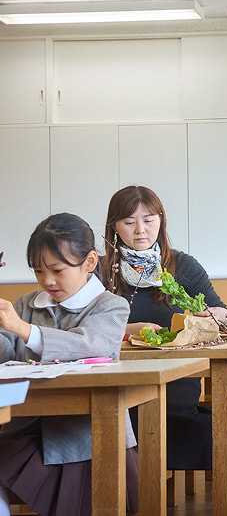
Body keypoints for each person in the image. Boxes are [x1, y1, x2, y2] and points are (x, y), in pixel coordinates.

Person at [0, 213, 136, 516]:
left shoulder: (110, 306)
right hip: (27, 428)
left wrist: (24, 330)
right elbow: (6, 354)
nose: (47, 281)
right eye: (38, 271)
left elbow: (91, 345)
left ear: (89, 262)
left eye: (57, 270)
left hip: (88, 439)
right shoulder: (24, 304)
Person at [99, 185, 227, 470]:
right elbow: (83, 326)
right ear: (114, 227)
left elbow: (225, 316)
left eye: (149, 220)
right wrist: (130, 329)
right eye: (129, 222)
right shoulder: (99, 271)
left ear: (161, 221)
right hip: (114, 382)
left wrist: (212, 315)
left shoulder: (182, 266)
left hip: (174, 381)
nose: (140, 230)